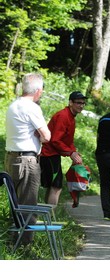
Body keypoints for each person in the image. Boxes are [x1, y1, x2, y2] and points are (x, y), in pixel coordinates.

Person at [5, 73, 51, 244]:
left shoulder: (13, 105)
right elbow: (47, 136)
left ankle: (13, 242)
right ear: (38, 91)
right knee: (28, 205)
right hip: (27, 161)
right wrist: (38, 134)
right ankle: (24, 247)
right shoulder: (32, 107)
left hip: (11, 159)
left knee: (16, 205)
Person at [40, 91, 86, 206]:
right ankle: (51, 217)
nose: (81, 106)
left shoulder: (71, 117)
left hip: (53, 154)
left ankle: (48, 216)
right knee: (56, 186)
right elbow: (55, 140)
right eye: (78, 103)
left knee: (53, 186)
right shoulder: (63, 116)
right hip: (48, 154)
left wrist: (74, 153)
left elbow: (68, 141)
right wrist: (70, 153)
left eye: (83, 103)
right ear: (70, 102)